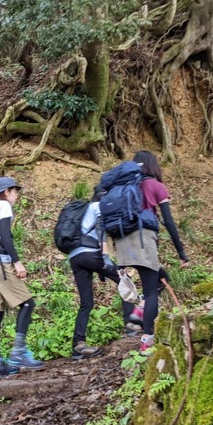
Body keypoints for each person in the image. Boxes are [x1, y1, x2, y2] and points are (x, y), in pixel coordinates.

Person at [114, 151, 189, 354]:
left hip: (122, 240)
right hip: (142, 239)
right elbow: (169, 222)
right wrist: (181, 253)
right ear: (153, 166)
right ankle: (147, 340)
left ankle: (138, 313)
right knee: (150, 289)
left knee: (161, 277)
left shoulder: (123, 187)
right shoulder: (155, 186)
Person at [0, 177, 44, 378]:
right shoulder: (3, 206)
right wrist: (16, 261)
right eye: (15, 191)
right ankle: (18, 353)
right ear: (6, 191)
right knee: (27, 304)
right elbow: (5, 235)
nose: (16, 196)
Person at [68, 186, 120, 360]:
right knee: (123, 278)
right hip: (90, 253)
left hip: (75, 256)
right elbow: (100, 231)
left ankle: (78, 345)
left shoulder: (84, 210)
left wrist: (101, 272)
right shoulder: (98, 207)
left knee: (86, 303)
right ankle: (133, 325)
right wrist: (105, 259)